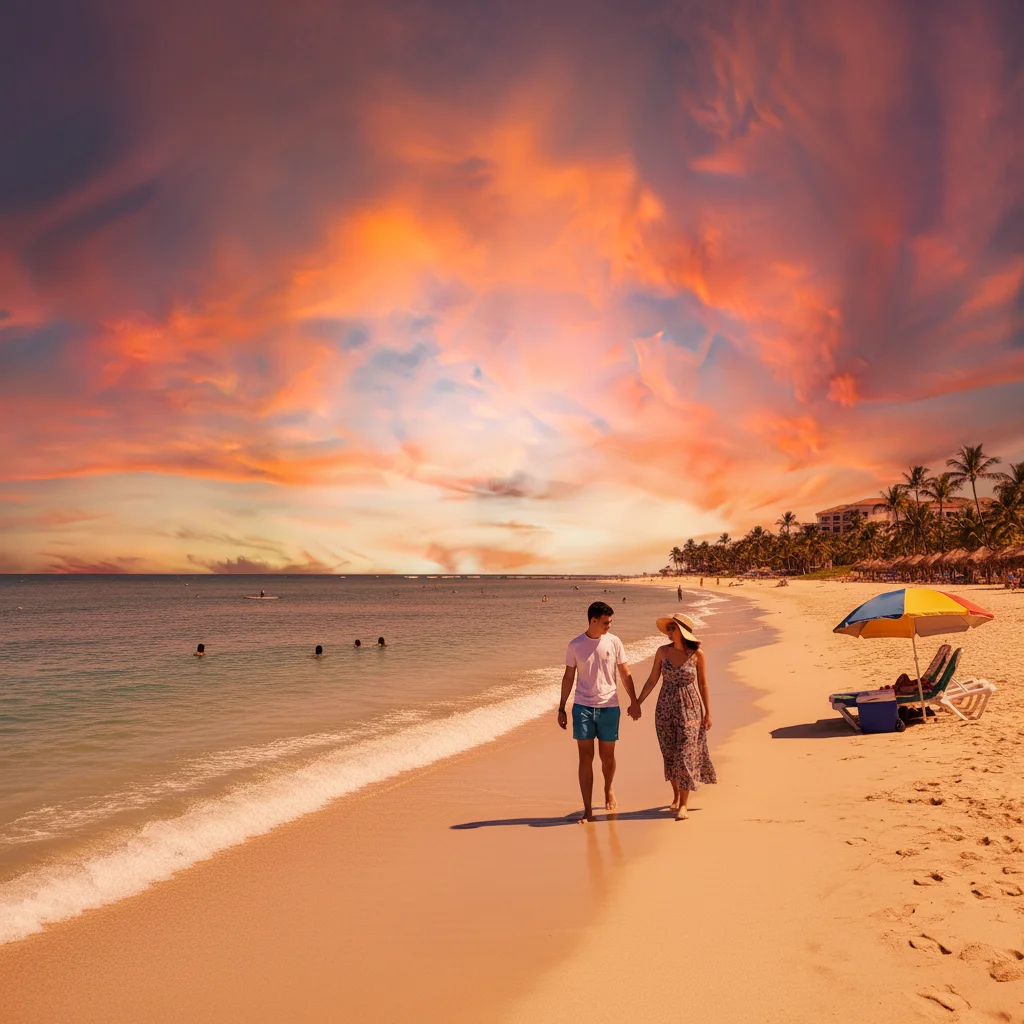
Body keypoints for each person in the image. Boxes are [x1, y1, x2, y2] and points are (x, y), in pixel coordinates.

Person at [558, 601, 641, 822]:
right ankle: (587, 808)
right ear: (593, 621)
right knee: (585, 758)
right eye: (605, 622)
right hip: (582, 707)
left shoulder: (614, 642)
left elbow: (625, 672)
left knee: (607, 757)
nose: (609, 626)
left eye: (610, 622)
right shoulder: (575, 645)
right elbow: (568, 677)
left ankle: (608, 789)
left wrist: (634, 700)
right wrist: (561, 707)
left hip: (609, 707)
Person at [637, 613, 716, 820]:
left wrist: (708, 712)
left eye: (672, 628)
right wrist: (637, 702)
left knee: (685, 754)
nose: (669, 632)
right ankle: (675, 795)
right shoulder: (662, 652)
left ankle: (684, 804)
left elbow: (703, 684)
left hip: (690, 707)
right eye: (669, 628)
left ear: (682, 631)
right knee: (670, 754)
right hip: (665, 707)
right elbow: (653, 679)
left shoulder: (698, 654)